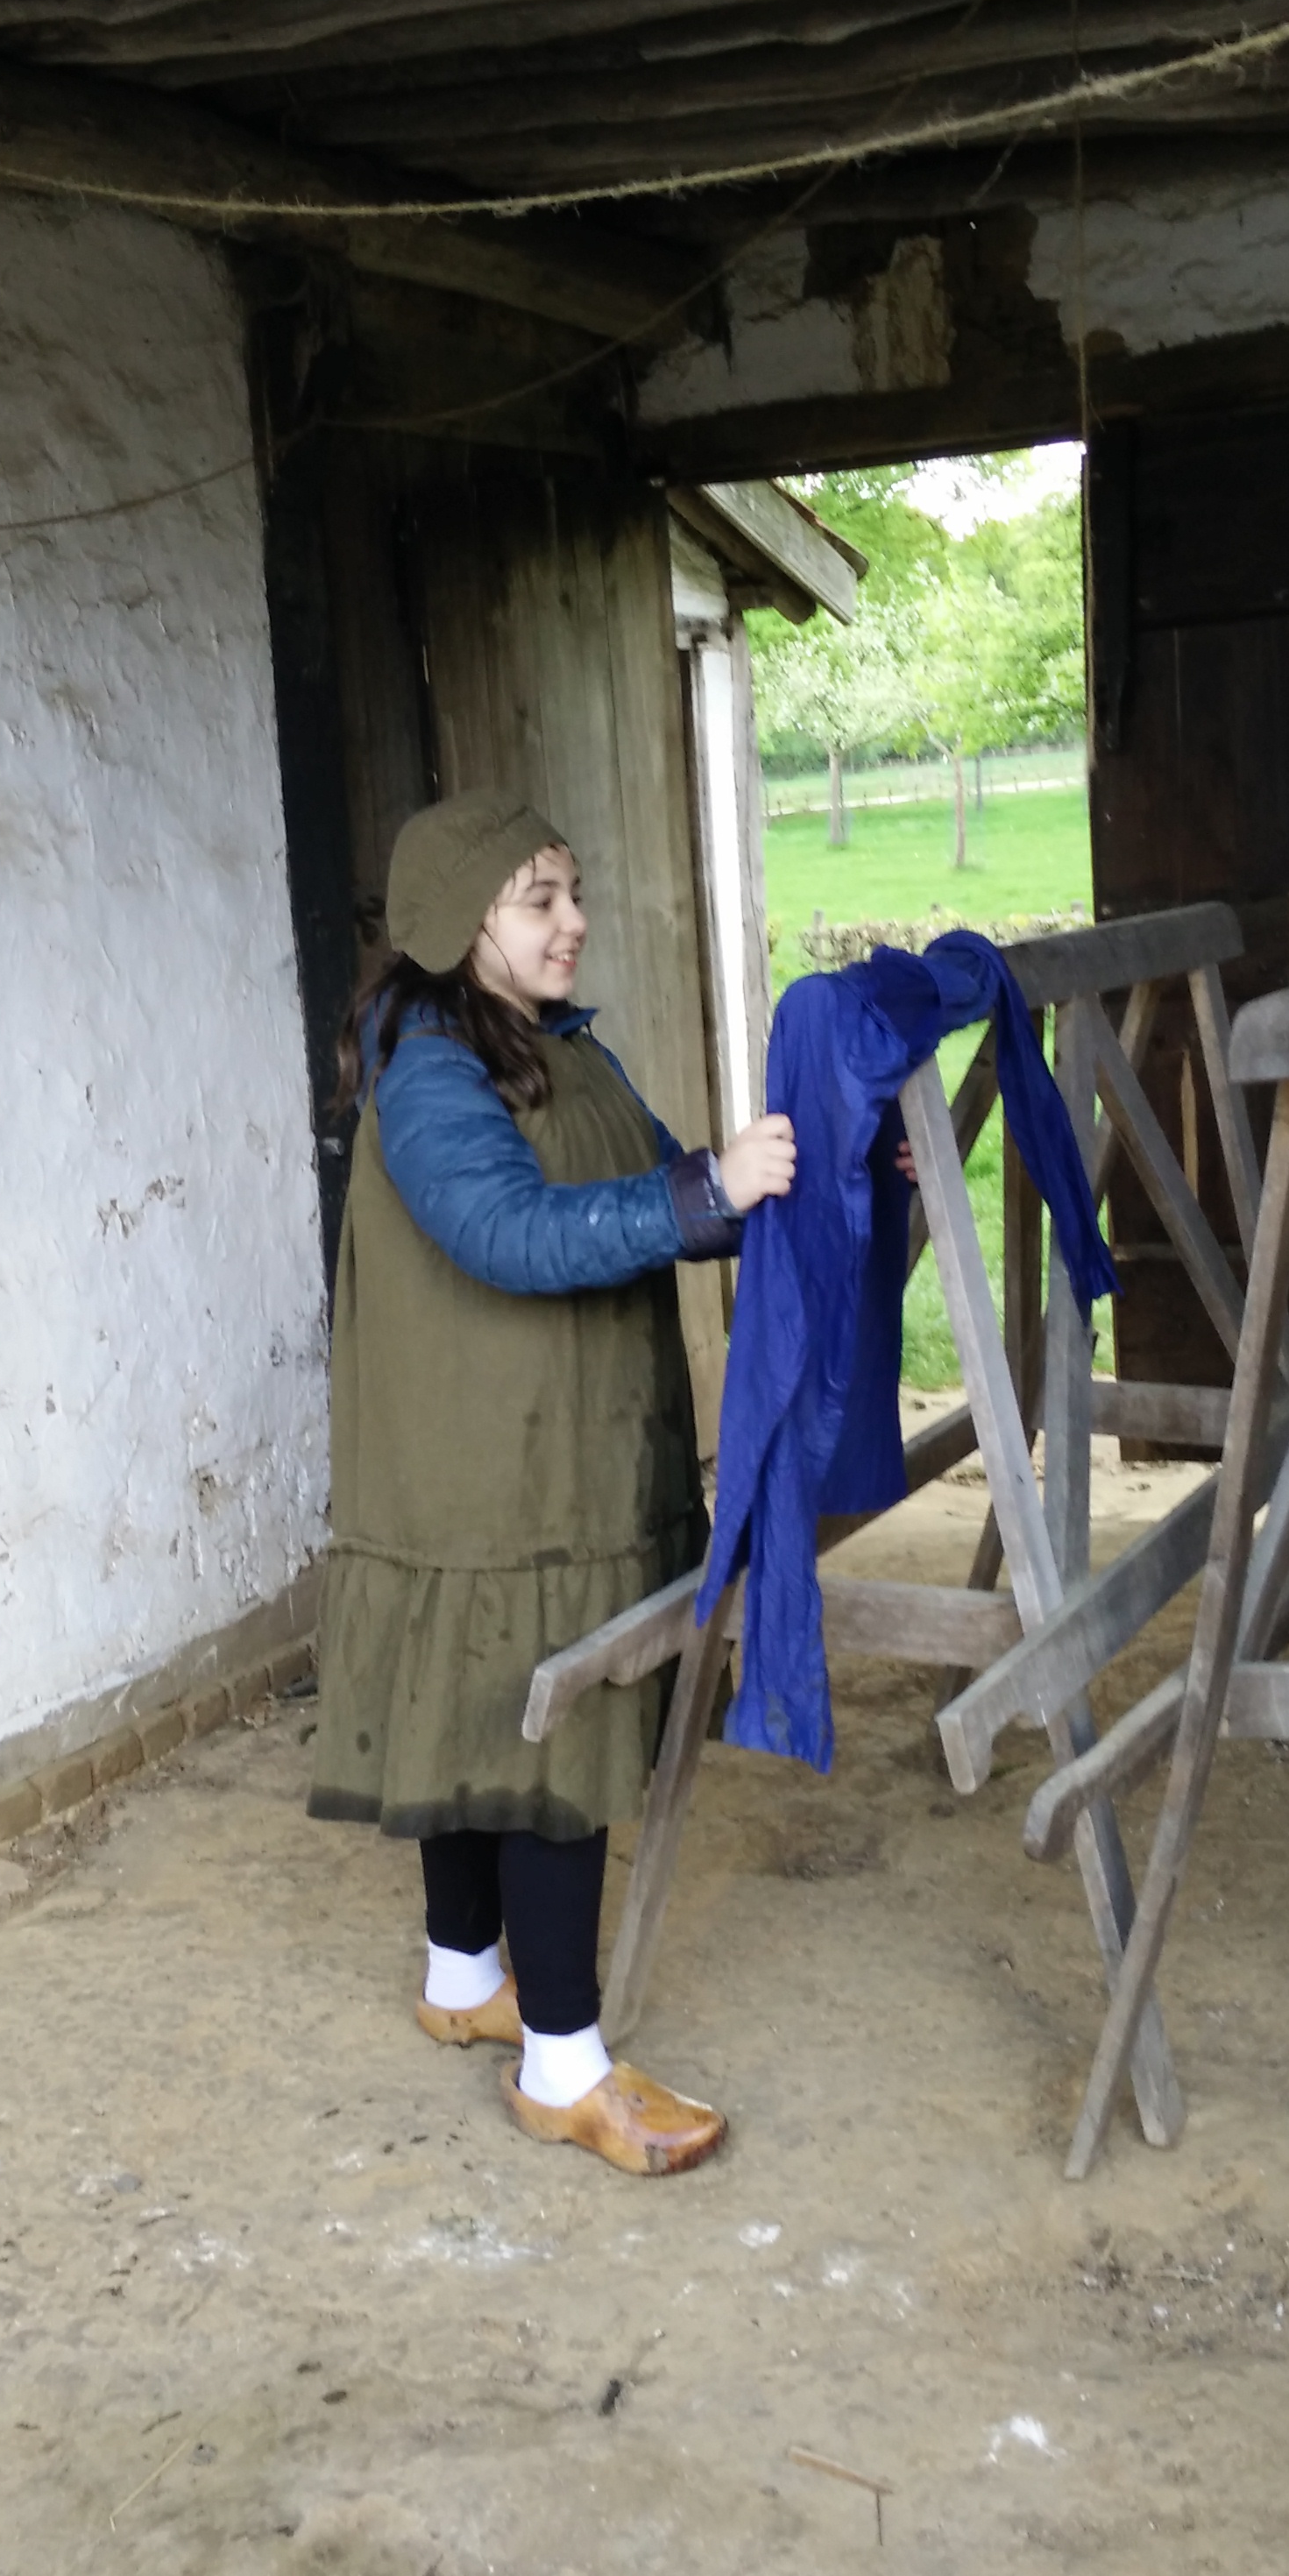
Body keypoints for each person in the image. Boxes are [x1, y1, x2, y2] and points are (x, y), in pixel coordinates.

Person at [309, 791, 796, 2176]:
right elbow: (512, 1235)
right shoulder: (430, 1073)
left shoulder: (556, 1053)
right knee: (540, 1754)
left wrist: (763, 1187)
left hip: (529, 1453)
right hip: (496, 1469)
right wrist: (705, 1193)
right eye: (540, 900)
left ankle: (465, 1981)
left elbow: (658, 1189)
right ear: (464, 926)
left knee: (473, 1722)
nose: (573, 920)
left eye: (570, 892)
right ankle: (565, 2069)